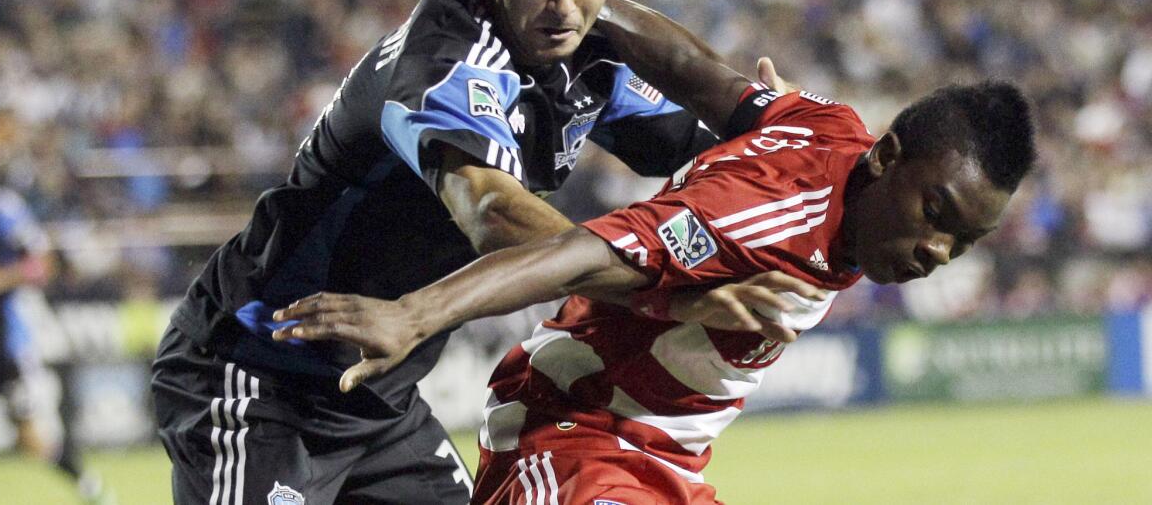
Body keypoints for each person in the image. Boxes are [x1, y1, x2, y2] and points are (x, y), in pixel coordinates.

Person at [151, 0, 806, 505]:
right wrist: (661, 289)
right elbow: (490, 211)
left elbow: (709, 155)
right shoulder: (447, 54)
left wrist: (777, 137)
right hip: (255, 378)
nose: (567, 3)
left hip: (380, 399)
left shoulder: (593, 61)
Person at [271, 67, 1037, 503]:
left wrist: (602, 13)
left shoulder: (834, 141)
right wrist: (415, 312)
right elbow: (575, 253)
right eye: (936, 213)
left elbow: (698, 67)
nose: (939, 249)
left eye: (964, 240)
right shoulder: (763, 212)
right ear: (890, 159)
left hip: (665, 469)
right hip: (574, 436)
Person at [0, 138, 111, 505]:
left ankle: (93, 490)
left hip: (6, 345)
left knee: (33, 441)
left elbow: (43, 265)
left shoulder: (0, 210)